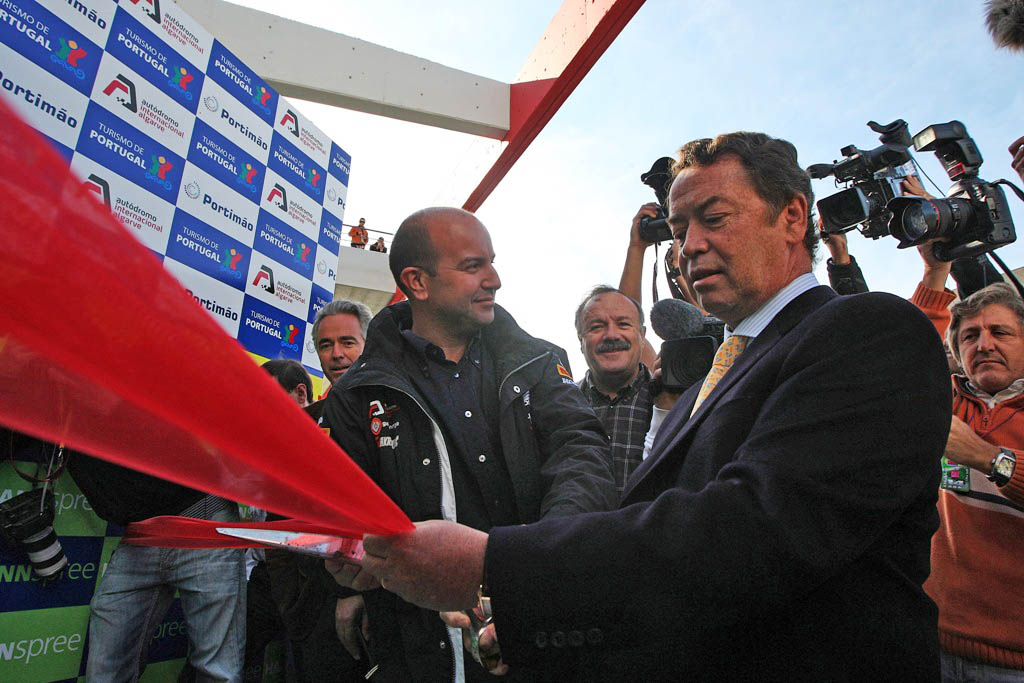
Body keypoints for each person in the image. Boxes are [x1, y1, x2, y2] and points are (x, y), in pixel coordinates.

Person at [350, 133, 952, 679]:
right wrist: (532, 627)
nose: (689, 246)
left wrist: (494, 565)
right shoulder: (702, 391)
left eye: (713, 218)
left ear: (794, 217)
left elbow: (747, 539)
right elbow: (659, 554)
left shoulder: (867, 332)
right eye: (678, 228)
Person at [322, 206, 617, 680]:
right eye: (472, 266)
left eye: (492, 262)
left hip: (540, 627)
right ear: (417, 282)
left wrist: (535, 562)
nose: (495, 279)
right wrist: (349, 566)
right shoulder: (356, 393)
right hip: (421, 645)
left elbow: (581, 452)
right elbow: (344, 513)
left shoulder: (539, 361)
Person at [910, 245, 1024, 679]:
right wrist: (934, 271)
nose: (985, 345)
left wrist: (986, 456)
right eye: (970, 337)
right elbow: (903, 352)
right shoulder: (947, 402)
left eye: (1000, 332)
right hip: (932, 644)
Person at [262, 301, 371, 681]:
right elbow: (282, 515)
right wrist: (294, 600)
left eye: (347, 342)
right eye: (325, 345)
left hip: (379, 593)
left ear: (368, 345)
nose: (336, 354)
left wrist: (356, 589)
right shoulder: (307, 424)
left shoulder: (395, 415)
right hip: (311, 600)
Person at [574, 285, 657, 492]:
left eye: (623, 324)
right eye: (596, 327)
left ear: (642, 335)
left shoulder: (673, 403)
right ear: (580, 341)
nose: (611, 335)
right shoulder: (561, 405)